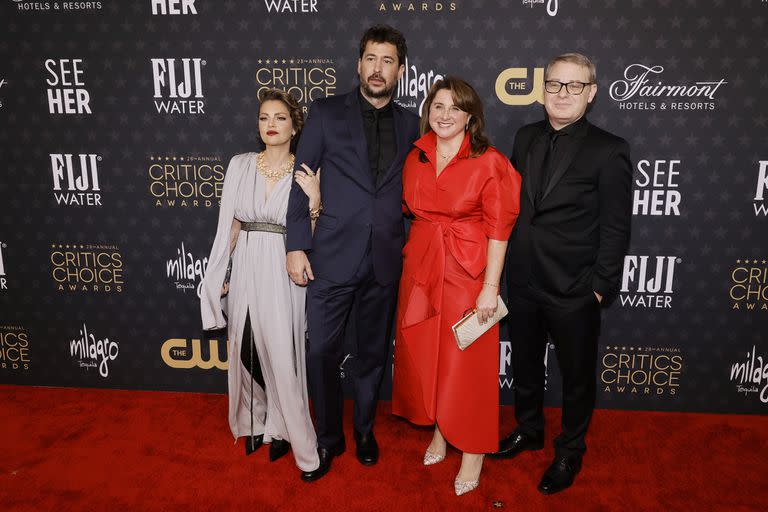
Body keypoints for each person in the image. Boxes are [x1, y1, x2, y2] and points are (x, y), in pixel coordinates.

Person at [490, 53, 633, 495]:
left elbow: (616, 226)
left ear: (591, 93)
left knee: (576, 377)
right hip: (525, 280)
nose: (562, 93)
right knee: (527, 365)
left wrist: (599, 288)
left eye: (574, 86)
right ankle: (529, 429)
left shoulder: (610, 150)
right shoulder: (525, 136)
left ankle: (570, 449)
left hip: (576, 288)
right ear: (542, 89)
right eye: (554, 84)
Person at [285, 24, 420, 482]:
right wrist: (297, 245)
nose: (377, 68)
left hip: (384, 259)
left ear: (400, 70)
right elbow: (301, 182)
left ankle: (364, 431)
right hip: (331, 255)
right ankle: (328, 438)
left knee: (372, 355)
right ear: (359, 64)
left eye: (387, 61)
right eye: (370, 58)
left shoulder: (410, 123)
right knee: (321, 351)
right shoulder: (325, 113)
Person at [392, 77, 522, 496]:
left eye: (455, 107)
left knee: (466, 363)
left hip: (468, 270)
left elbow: (500, 229)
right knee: (428, 357)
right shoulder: (416, 156)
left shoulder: (490, 161)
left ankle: (474, 451)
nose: (445, 115)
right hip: (422, 266)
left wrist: (490, 286)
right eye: (438, 106)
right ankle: (442, 432)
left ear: (471, 116)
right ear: (428, 110)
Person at [200, 88, 321, 477]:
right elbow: (230, 227)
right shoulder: (240, 166)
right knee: (246, 345)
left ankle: (291, 433)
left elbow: (314, 232)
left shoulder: (306, 171)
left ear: (294, 125)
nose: (271, 124)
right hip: (248, 259)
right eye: (265, 117)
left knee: (282, 351)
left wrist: (315, 200)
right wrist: (220, 273)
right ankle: (257, 420)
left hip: (284, 263)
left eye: (280, 118)